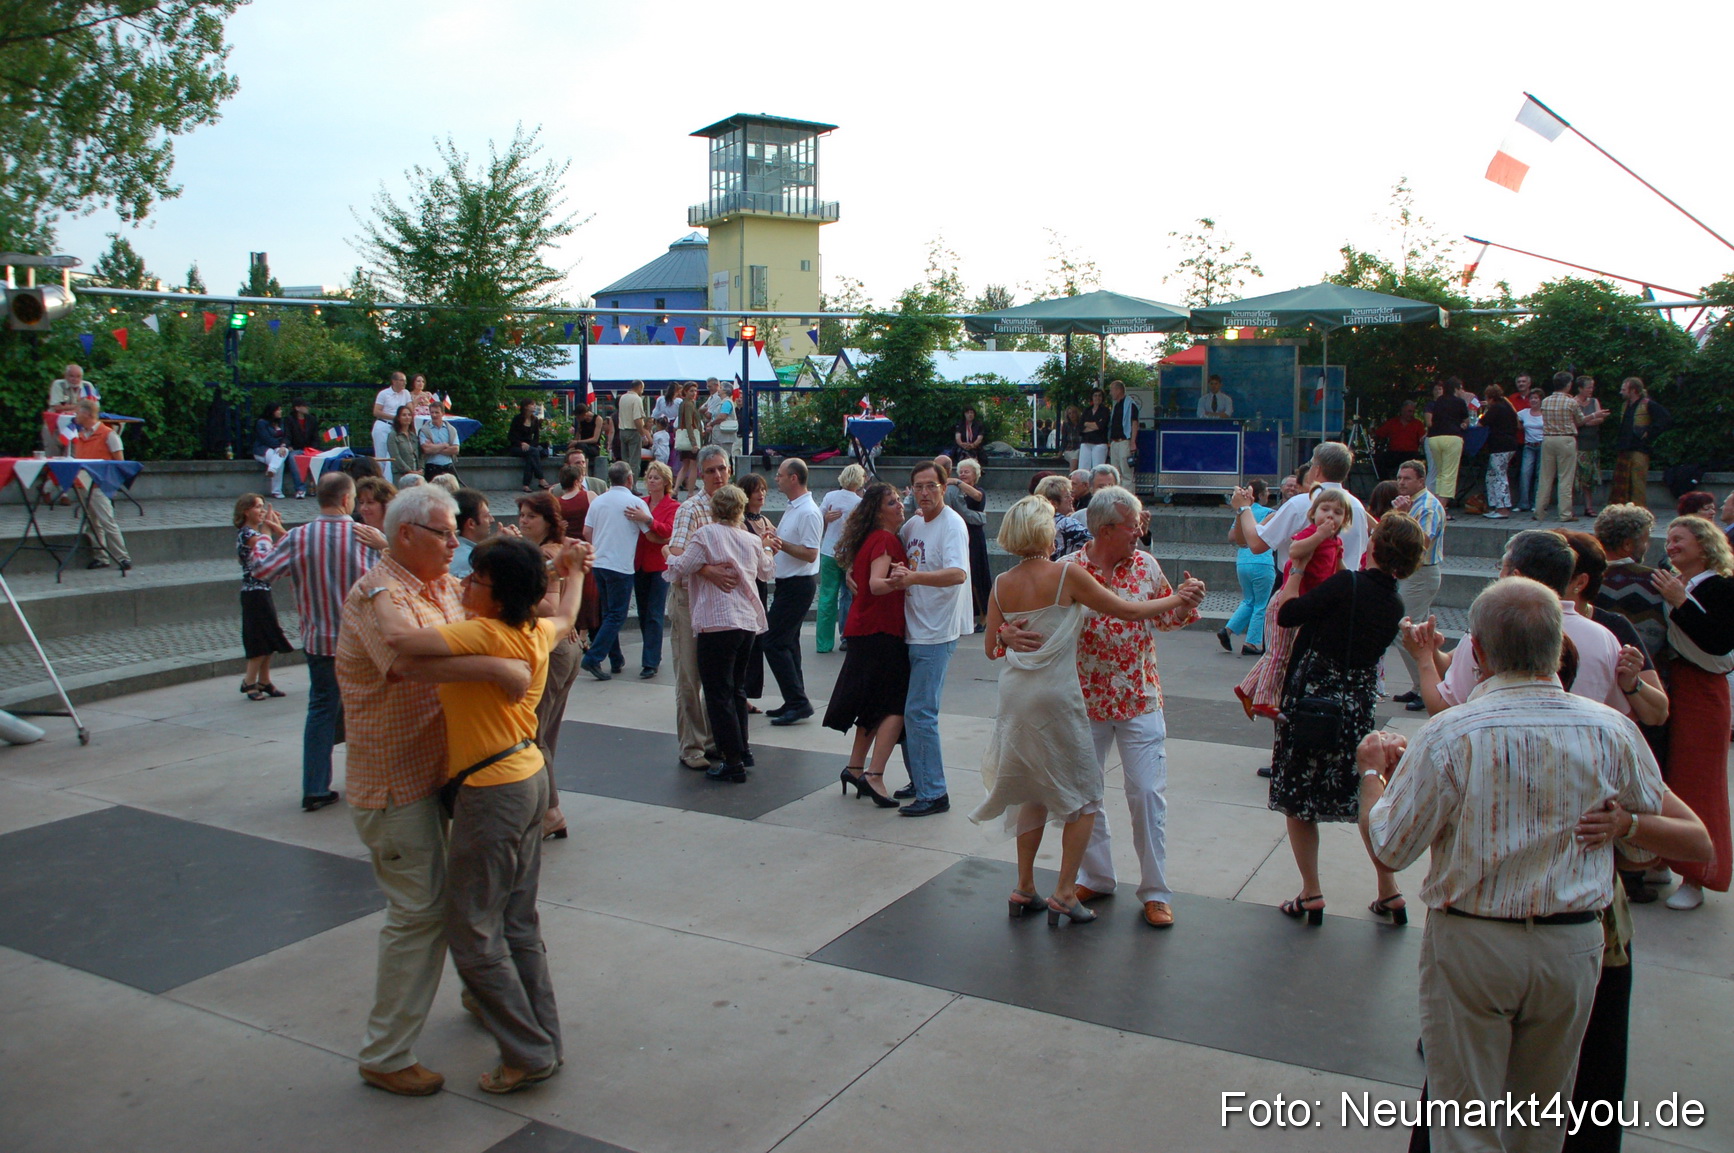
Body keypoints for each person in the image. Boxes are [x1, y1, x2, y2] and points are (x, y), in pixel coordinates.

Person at [1359, 577, 1668, 1153]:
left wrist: (1372, 776)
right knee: (1543, 1121)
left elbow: (1390, 849)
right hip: (1574, 944)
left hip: (1475, 941)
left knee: (1466, 1124)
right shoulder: (1613, 730)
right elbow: (1648, 842)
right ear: (1556, 647)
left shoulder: (1452, 733)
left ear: (1476, 650)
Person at [334, 483, 536, 1099]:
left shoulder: (442, 587)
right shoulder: (377, 594)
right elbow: (407, 663)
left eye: (456, 533)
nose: (456, 543)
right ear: (405, 536)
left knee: (470, 899)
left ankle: (480, 993)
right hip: (396, 782)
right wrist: (498, 669)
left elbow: (488, 623)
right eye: (446, 533)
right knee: (418, 913)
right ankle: (385, 1052)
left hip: (448, 775)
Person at [371, 530, 588, 1096]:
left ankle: (528, 1051)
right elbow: (566, 613)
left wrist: (377, 591)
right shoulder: (533, 630)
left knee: (470, 929)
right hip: (530, 778)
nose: (465, 583)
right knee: (518, 921)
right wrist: (572, 568)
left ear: (498, 596)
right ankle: (543, 1041)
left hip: (492, 791)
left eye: (476, 579)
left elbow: (399, 639)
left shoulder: (482, 632)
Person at [976, 495, 1203, 926]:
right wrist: (1005, 635)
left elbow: (1164, 621)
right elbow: (1126, 610)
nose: (1139, 530)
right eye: (1132, 524)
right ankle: (1087, 881)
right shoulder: (1070, 570)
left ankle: (1152, 891)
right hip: (1080, 700)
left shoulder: (1144, 567)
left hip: (1133, 696)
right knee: (1084, 798)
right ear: (1104, 530)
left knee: (1143, 794)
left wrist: (1183, 601)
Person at [1266, 512, 1423, 926]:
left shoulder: (1346, 584)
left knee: (1299, 799)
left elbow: (1288, 613)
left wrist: (1296, 570)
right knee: (1363, 797)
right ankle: (1389, 891)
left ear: (1373, 545)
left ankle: (1311, 892)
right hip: (1355, 710)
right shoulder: (1395, 603)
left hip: (1313, 700)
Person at [254, 471, 387, 811]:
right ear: (346, 499)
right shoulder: (364, 536)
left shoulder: (300, 537)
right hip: (361, 642)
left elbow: (263, 571)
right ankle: (373, 781)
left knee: (321, 710)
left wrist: (265, 537)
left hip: (320, 640)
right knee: (368, 711)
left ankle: (314, 787)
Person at [1417, 531, 1627, 717]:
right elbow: (1621, 709)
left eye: (1502, 568)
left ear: (1515, 576)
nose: (1498, 575)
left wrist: (1424, 656)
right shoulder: (1605, 638)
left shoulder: (1493, 630)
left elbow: (1444, 708)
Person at [1651, 515, 1734, 911]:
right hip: (1672, 686)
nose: (1670, 546)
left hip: (1703, 692)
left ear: (1703, 544)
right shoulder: (1670, 582)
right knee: (1666, 777)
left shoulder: (1723, 586)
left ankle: (1698, 875)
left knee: (1698, 784)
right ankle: (1662, 858)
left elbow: (1720, 646)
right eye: (1668, 540)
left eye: (1679, 539)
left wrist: (1680, 602)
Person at [664, 484, 774, 782]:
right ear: (741, 509)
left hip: (717, 622)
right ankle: (743, 748)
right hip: (746, 622)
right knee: (736, 688)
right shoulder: (749, 539)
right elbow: (766, 571)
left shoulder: (706, 534)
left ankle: (732, 761)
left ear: (714, 510)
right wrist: (764, 546)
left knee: (717, 692)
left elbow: (679, 568)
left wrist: (667, 553)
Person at [886, 460, 973, 817]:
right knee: (908, 711)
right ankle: (919, 777)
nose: (924, 493)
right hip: (912, 626)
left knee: (921, 712)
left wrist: (913, 580)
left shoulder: (952, 524)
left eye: (931, 487)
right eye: (918, 487)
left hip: (936, 631)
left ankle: (934, 792)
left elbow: (957, 574)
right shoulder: (914, 523)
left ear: (943, 488)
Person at [1233, 483, 1358, 720]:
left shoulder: (1336, 543)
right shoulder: (1312, 533)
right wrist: (1320, 535)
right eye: (1325, 510)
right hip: (1286, 600)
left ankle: (1248, 688)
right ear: (1314, 514)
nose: (1330, 516)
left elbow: (1338, 569)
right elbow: (1295, 550)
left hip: (1304, 602)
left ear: (1345, 520)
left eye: (1337, 513)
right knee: (1278, 653)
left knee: (1286, 651)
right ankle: (1265, 701)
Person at [825, 482, 909, 807]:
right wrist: (901, 579)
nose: (900, 505)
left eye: (900, 499)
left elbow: (862, 582)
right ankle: (874, 775)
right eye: (892, 501)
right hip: (881, 632)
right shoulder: (885, 539)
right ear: (878, 511)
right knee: (895, 706)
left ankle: (855, 767)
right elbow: (874, 585)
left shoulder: (871, 540)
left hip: (866, 631)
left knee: (872, 704)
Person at [511, 492, 583, 838]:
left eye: (531, 516)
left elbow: (550, 607)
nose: (525, 521)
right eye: (522, 515)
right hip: (566, 647)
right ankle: (546, 808)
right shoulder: (560, 548)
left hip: (551, 650)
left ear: (548, 521)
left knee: (535, 735)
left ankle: (550, 810)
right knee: (546, 735)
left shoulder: (546, 554)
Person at [667, 446, 733, 768]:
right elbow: (676, 551)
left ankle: (712, 741)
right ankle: (692, 746)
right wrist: (707, 569)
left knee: (716, 676)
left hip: (719, 602)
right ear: (701, 475)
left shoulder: (734, 506)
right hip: (689, 599)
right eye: (710, 471)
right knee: (690, 677)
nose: (718, 475)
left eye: (722, 468)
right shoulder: (691, 509)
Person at [762, 458, 822, 723]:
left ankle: (798, 701)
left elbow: (810, 553)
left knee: (773, 641)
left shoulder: (808, 511)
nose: (777, 479)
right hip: (790, 584)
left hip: (798, 585)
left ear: (794, 478)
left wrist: (779, 542)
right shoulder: (795, 507)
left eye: (781, 475)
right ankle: (794, 699)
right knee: (788, 643)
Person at [580, 461, 650, 681]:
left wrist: (600, 546)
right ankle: (594, 657)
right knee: (616, 615)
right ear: (629, 479)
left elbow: (586, 531)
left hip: (599, 562)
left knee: (608, 612)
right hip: (620, 564)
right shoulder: (635, 502)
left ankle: (616, 658)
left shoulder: (598, 501)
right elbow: (649, 531)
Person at [1385, 460, 1446, 712]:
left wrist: (1402, 516)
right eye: (1399, 477)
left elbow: (1424, 540)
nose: (1401, 482)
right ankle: (1421, 685)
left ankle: (1427, 687)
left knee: (1404, 632)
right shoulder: (1414, 503)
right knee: (1417, 631)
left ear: (1421, 481)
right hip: (1414, 573)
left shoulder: (1427, 505)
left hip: (1420, 574)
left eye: (1407, 478)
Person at [234, 494, 293, 700]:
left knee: (268, 635)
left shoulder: (255, 534)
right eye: (257, 507)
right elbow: (267, 552)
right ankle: (249, 681)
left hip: (263, 590)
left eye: (262, 507)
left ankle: (264, 680)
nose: (261, 510)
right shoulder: (248, 534)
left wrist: (273, 528)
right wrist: (271, 529)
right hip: (253, 592)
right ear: (245, 511)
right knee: (258, 637)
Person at [1593, 504, 1667, 663]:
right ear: (1627, 545)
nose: (1647, 547)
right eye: (1645, 541)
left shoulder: (1582, 577)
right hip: (1643, 675)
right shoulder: (1657, 581)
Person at [66, 399, 133, 572]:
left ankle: (123, 557)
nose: (75, 416)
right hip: (83, 485)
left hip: (99, 486)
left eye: (78, 412)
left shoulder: (108, 435)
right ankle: (101, 557)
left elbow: (120, 463)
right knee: (91, 523)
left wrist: (109, 484)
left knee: (107, 521)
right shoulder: (79, 436)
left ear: (87, 414)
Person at [628, 460, 678, 678]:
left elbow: (668, 531)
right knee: (642, 612)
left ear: (666, 482)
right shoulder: (640, 503)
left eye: (656, 477)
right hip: (639, 563)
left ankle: (650, 660)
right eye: (649, 477)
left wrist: (648, 520)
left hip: (659, 565)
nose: (651, 481)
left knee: (655, 613)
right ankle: (651, 654)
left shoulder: (673, 506)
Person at [1221, 478, 1276, 657]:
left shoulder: (1243, 513)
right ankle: (1251, 642)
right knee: (1261, 604)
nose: (1269, 495)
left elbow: (1231, 536)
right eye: (1267, 492)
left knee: (1249, 600)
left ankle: (1228, 630)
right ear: (1260, 495)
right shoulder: (1270, 513)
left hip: (1243, 563)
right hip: (1262, 562)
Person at [816, 464, 867, 655]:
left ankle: (823, 642)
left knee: (827, 597)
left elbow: (818, 517)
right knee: (847, 596)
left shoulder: (830, 497)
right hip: (849, 554)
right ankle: (846, 636)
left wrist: (826, 519)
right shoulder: (859, 503)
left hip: (828, 551)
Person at [1607, 377, 1670, 508]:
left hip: (1639, 449)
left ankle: (1639, 510)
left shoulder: (1648, 404)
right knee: (1621, 484)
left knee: (1637, 484)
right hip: (1625, 448)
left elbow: (1665, 419)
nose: (1621, 392)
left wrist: (1649, 432)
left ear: (1633, 390)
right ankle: (1622, 509)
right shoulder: (1625, 405)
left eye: (1624, 389)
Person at [1536, 370, 1586, 521]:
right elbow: (1580, 420)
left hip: (1548, 439)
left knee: (1545, 477)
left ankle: (1539, 511)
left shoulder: (1545, 401)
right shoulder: (1571, 402)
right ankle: (1565, 513)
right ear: (1568, 385)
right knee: (1565, 478)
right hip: (1566, 439)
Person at [953, 458, 991, 632]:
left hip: (974, 536)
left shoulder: (977, 490)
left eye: (966, 472)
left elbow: (977, 497)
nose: (962, 474)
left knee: (977, 576)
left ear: (975, 475)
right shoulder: (957, 492)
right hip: (961, 534)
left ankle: (985, 615)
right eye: (960, 472)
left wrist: (957, 481)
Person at [1424, 376, 1469, 507]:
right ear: (1456, 389)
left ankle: (1434, 504)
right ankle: (1441, 509)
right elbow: (1465, 420)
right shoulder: (1459, 402)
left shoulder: (1438, 401)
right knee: (1449, 475)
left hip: (1434, 439)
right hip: (1451, 438)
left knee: (1440, 473)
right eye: (1461, 388)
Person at [1479, 384, 1519, 519]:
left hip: (1499, 446)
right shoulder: (1507, 406)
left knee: (1499, 476)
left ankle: (1502, 508)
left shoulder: (1495, 408)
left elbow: (1481, 423)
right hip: (1510, 444)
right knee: (1492, 474)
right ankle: (1496, 505)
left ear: (1490, 398)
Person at [1034, 474, 1092, 561]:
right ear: (1053, 503)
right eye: (1067, 496)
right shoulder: (1067, 524)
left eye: (1070, 495)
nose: (1071, 499)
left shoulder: (1034, 521)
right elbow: (1095, 544)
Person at [253, 402, 302, 499]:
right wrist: (281, 445)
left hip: (277, 449)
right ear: (272, 411)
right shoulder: (261, 423)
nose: (280, 411)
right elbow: (266, 439)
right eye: (278, 409)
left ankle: (272, 470)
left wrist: (284, 445)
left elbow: (286, 436)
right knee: (278, 459)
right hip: (263, 449)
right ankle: (276, 491)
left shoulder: (281, 422)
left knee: (283, 453)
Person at [45, 362, 97, 455]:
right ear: (65, 376)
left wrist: (72, 408)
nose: (75, 379)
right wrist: (80, 406)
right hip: (55, 425)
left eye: (78, 376)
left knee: (75, 455)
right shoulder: (58, 384)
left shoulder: (87, 386)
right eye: (71, 376)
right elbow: (57, 407)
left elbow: (93, 407)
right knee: (53, 455)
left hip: (79, 425)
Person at [1573, 376, 1606, 517]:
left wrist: (1586, 420)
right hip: (1578, 445)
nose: (1591, 390)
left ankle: (1589, 507)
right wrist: (1592, 417)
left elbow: (1600, 419)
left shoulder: (1594, 401)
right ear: (1580, 388)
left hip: (1592, 444)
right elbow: (1575, 422)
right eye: (1588, 387)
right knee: (1575, 478)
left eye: (1592, 387)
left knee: (1589, 478)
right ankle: (1570, 508)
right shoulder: (1574, 402)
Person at [1372, 399, 1426, 481]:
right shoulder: (1393, 422)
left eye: (1412, 412)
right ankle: (1386, 483)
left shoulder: (1417, 424)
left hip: (1410, 454)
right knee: (1379, 459)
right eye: (1409, 411)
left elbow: (1423, 439)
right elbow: (1379, 434)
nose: (1411, 414)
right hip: (1394, 453)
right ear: (1402, 411)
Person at [371, 371, 413, 472]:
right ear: (394, 381)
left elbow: (410, 408)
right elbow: (376, 412)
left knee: (394, 456)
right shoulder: (384, 394)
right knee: (381, 457)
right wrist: (394, 417)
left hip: (397, 427)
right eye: (401, 380)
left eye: (405, 381)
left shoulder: (406, 393)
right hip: (384, 426)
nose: (404, 383)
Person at [451, 488, 494, 581]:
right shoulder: (472, 560)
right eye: (486, 516)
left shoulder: (452, 549)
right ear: (471, 524)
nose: (492, 520)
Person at [1515, 384, 1546, 512]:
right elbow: (1515, 420)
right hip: (1529, 446)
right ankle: (1523, 503)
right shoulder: (1524, 413)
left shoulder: (1546, 414)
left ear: (1541, 400)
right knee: (1525, 474)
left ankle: (1536, 503)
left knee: (1540, 475)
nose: (1533, 400)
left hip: (1542, 445)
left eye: (1536, 398)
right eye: (1531, 398)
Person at [507, 400, 545, 492]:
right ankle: (541, 479)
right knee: (533, 452)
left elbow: (536, 437)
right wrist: (521, 443)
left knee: (531, 456)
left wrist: (530, 446)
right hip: (516, 447)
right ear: (525, 407)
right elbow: (511, 436)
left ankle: (526, 485)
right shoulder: (517, 419)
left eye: (535, 404)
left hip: (529, 448)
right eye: (532, 404)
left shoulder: (534, 420)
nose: (534, 406)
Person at [674, 386, 704, 496]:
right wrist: (694, 443)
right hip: (690, 438)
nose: (694, 393)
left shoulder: (684, 403)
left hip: (685, 438)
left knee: (685, 465)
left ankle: (676, 489)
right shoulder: (688, 404)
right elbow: (689, 424)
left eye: (695, 391)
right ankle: (690, 492)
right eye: (691, 391)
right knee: (693, 466)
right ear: (686, 391)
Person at [419, 407, 460, 482]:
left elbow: (456, 449)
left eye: (437, 412)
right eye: (432, 412)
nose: (434, 415)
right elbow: (426, 449)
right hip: (431, 468)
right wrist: (444, 445)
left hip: (448, 467)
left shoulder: (451, 429)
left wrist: (434, 447)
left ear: (443, 414)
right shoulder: (424, 430)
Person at [617, 380, 648, 478]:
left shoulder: (623, 397)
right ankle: (632, 486)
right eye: (642, 389)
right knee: (634, 462)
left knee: (625, 461)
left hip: (622, 430)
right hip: (633, 431)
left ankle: (623, 482)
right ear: (639, 387)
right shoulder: (637, 399)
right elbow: (637, 419)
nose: (642, 391)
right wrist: (643, 435)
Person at [387, 404, 422, 481]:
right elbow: (395, 456)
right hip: (401, 475)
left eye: (409, 415)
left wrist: (421, 469)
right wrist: (408, 471)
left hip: (416, 473)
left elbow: (420, 454)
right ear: (398, 418)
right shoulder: (393, 435)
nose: (407, 417)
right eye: (404, 415)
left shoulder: (413, 435)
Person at [703, 378, 737, 457]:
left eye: (720, 388)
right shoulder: (722, 402)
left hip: (725, 437)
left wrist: (711, 423)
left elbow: (722, 416)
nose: (718, 390)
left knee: (724, 456)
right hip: (719, 436)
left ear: (725, 391)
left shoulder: (726, 402)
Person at [1078, 388, 1110, 470]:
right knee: (1083, 468)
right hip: (1086, 442)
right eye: (1095, 395)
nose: (1097, 398)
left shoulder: (1105, 411)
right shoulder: (1087, 410)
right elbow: (1080, 427)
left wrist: (1087, 424)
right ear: (1092, 397)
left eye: (1099, 396)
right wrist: (1095, 425)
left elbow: (1101, 426)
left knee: (1098, 468)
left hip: (1100, 443)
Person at [569, 402, 603, 467]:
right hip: (582, 445)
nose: (578, 419)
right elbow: (578, 434)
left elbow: (595, 439)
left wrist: (577, 442)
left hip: (593, 447)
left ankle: (584, 469)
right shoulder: (581, 421)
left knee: (582, 446)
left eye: (578, 417)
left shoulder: (598, 419)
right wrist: (573, 443)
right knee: (575, 449)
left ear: (584, 414)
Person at [1058, 405, 1083, 469]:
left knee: (1076, 455)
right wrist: (1060, 453)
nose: (1072, 415)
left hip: (1080, 449)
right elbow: (1064, 440)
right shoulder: (1066, 425)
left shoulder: (1082, 424)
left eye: (1074, 412)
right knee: (1074, 458)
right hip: (1069, 450)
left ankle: (1071, 477)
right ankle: (1072, 476)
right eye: (1070, 413)